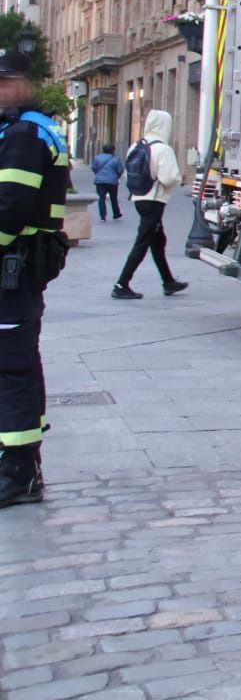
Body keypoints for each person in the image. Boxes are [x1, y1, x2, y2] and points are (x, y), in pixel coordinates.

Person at [0, 40, 72, 508]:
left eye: (4, 82)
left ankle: (20, 471)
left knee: (12, 367)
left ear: (23, 85)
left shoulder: (25, 136)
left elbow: (7, 210)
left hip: (12, 266)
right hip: (19, 266)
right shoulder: (25, 130)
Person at [111, 110, 188, 300]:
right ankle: (122, 284)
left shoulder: (136, 145)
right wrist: (178, 180)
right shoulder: (163, 149)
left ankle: (168, 281)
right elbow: (169, 178)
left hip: (139, 198)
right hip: (154, 200)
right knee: (143, 242)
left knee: (157, 241)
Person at [90, 144, 123, 221]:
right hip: (112, 181)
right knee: (113, 198)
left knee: (101, 198)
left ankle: (102, 216)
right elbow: (120, 170)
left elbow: (93, 167)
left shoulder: (97, 158)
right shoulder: (116, 159)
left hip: (100, 181)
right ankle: (116, 213)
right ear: (113, 150)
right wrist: (116, 177)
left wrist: (98, 174)